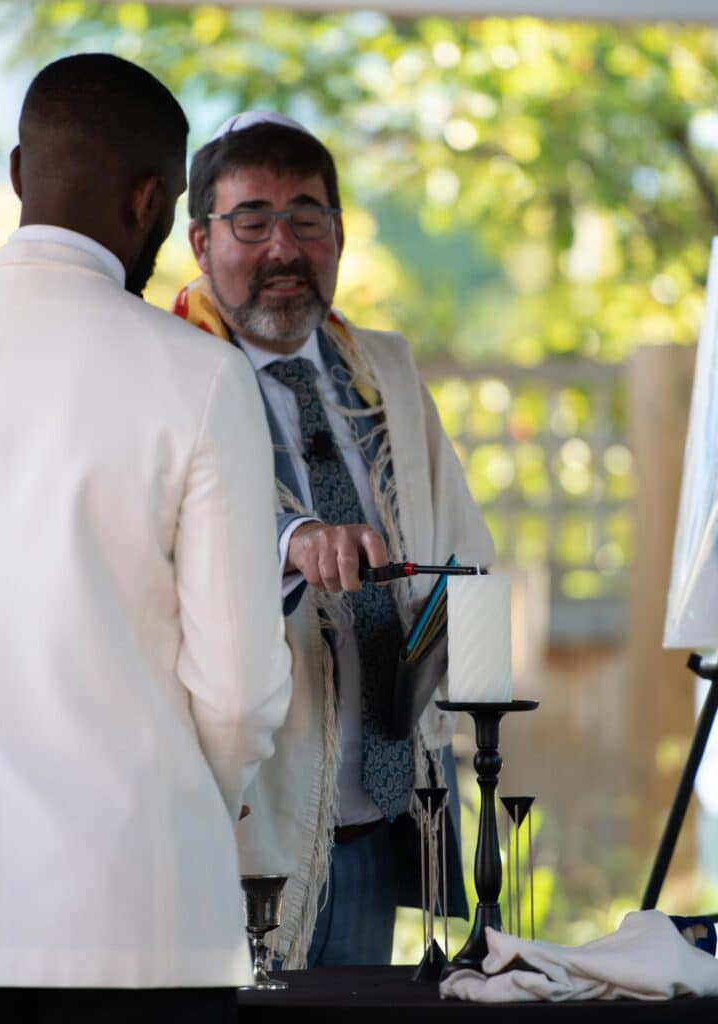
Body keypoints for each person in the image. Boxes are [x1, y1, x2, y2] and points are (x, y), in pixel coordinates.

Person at [0, 54, 291, 1024]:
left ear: (19, 171)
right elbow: (238, 691)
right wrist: (170, 784)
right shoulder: (198, 376)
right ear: (153, 199)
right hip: (140, 916)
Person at [177, 112, 494, 968]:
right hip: (246, 806)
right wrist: (288, 540)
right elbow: (151, 549)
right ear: (201, 242)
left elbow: (463, 546)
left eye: (307, 218)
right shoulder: (167, 369)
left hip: (385, 804)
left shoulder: (383, 367)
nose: (283, 248)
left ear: (341, 236)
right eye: (252, 221)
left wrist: (459, 639)